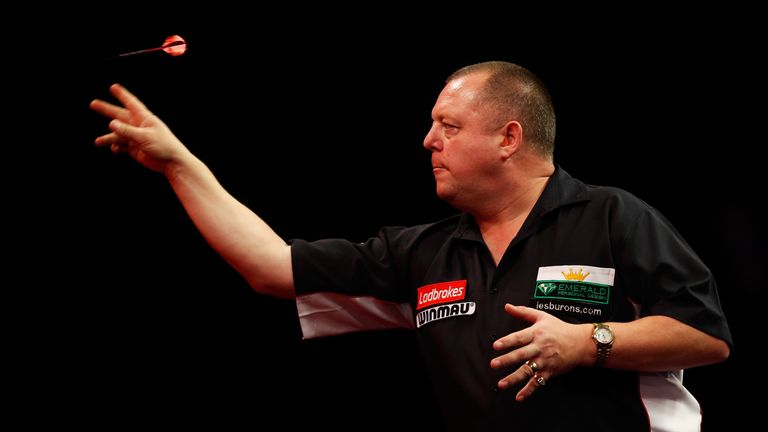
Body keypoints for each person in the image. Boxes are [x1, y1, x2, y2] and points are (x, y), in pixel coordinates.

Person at [90, 61, 732, 431]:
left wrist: (588, 342)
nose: (428, 142)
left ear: (509, 138)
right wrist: (178, 164)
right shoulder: (421, 252)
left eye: (448, 126)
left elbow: (706, 336)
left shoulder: (612, 215)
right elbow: (270, 267)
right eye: (432, 127)